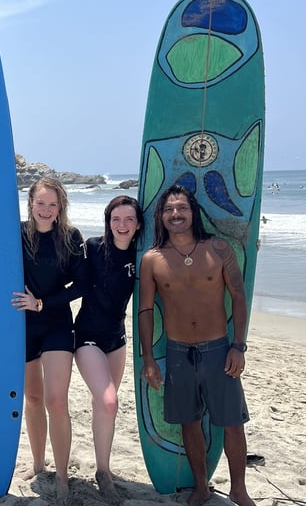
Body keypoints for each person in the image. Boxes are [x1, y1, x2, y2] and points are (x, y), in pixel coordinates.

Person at [138, 184, 255, 506]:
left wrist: (238, 346)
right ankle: (201, 486)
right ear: (161, 217)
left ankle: (239, 489)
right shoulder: (152, 259)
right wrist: (148, 358)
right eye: (169, 210)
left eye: (182, 208)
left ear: (193, 213)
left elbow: (238, 297)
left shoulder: (218, 249)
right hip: (177, 352)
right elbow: (145, 311)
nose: (176, 214)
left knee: (232, 422)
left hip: (218, 350)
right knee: (189, 422)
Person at [11, 177, 88, 505]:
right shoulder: (16, 232)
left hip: (56, 323)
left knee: (56, 401)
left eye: (52, 204)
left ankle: (61, 475)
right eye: (40, 203)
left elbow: (81, 285)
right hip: (23, 324)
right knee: (32, 398)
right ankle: (38, 464)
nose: (45, 210)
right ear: (30, 203)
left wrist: (43, 303)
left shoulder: (70, 238)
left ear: (61, 208)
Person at [74, 195, 143, 501]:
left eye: (129, 219)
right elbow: (68, 274)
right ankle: (103, 472)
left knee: (104, 406)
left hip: (117, 339)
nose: (122, 225)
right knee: (109, 401)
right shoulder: (92, 247)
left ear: (138, 223)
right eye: (116, 219)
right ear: (108, 221)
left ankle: (104, 467)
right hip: (87, 336)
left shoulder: (143, 254)